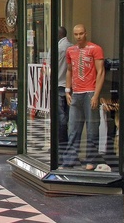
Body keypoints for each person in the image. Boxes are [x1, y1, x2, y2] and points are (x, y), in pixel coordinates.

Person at [62, 24, 106, 170]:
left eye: (81, 34)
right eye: (76, 34)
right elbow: (69, 70)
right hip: (77, 93)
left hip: (90, 92)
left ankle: (91, 160)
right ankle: (69, 160)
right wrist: (68, 90)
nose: (79, 37)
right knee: (73, 128)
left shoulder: (95, 49)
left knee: (92, 127)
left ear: (85, 33)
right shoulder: (71, 50)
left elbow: (100, 72)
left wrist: (96, 94)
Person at [56, 26, 73, 164]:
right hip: (70, 86)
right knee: (67, 117)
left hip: (59, 84)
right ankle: (67, 147)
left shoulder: (56, 48)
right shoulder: (72, 47)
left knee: (60, 118)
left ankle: (62, 145)